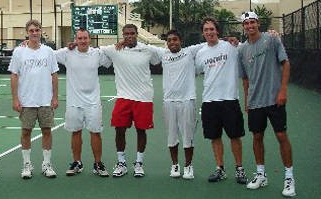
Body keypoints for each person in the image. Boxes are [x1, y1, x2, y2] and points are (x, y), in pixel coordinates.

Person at [238, 11, 296, 197]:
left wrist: (283, 90)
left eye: (252, 22)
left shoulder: (271, 40)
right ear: (243, 27)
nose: (250, 26)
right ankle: (261, 174)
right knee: (257, 137)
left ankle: (289, 178)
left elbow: (285, 63)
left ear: (258, 23)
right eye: (246, 23)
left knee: (281, 135)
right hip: (255, 102)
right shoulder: (242, 49)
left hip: (274, 99)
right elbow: (245, 79)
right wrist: (247, 101)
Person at [101, 24, 160, 177]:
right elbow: (91, 50)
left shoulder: (148, 49)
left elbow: (168, 54)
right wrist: (73, 45)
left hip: (144, 98)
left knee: (141, 130)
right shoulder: (114, 49)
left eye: (132, 33)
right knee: (119, 130)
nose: (129, 36)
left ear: (137, 34)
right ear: (123, 34)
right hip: (123, 97)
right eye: (126, 34)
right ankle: (121, 163)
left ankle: (139, 163)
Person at [195, 17, 248, 184]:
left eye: (212, 29)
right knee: (214, 137)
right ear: (203, 33)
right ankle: (220, 169)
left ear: (217, 30)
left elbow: (248, 47)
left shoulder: (231, 47)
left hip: (230, 100)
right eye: (206, 30)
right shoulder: (201, 53)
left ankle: (239, 169)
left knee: (234, 136)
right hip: (210, 101)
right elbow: (196, 71)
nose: (209, 32)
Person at [55, 28, 111, 177]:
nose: (83, 41)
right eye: (79, 38)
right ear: (75, 40)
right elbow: (47, 54)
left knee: (95, 132)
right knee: (76, 132)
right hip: (74, 102)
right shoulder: (66, 53)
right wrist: (26, 44)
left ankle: (98, 163)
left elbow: (112, 59)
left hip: (93, 102)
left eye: (85, 38)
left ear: (89, 39)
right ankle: (77, 162)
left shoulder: (97, 54)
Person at [8, 19, 59, 179]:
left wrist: (55, 97)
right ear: (27, 32)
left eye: (37, 30)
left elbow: (54, 75)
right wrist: (15, 99)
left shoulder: (49, 52)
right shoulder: (19, 52)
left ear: (41, 32)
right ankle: (27, 165)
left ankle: (46, 164)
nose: (34, 33)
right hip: (26, 101)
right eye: (31, 30)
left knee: (46, 131)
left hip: (45, 100)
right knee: (25, 132)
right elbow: (14, 76)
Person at [158, 30, 205, 179]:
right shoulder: (163, 54)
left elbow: (210, 42)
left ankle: (188, 166)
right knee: (172, 136)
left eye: (175, 39)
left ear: (181, 41)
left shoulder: (190, 52)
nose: (172, 42)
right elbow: (142, 47)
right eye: (169, 40)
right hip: (169, 102)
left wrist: (231, 40)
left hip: (187, 101)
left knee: (188, 136)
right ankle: (175, 165)